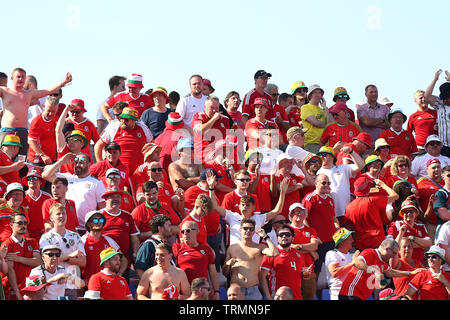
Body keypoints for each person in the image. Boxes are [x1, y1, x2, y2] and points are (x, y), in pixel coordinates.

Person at [0, 68, 72, 156]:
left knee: (21, 160)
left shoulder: (29, 93)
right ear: (12, 78)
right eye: (18, 77)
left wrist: (63, 82)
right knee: (4, 159)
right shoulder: (4, 91)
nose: (20, 79)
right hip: (7, 130)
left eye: (23, 77)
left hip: (22, 131)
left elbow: (48, 91)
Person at [338, 238, 424, 300]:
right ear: (386, 249)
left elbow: (391, 272)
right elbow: (356, 262)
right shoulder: (370, 253)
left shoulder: (382, 262)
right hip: (350, 293)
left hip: (359, 296)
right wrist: (375, 270)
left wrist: (410, 273)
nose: (394, 256)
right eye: (394, 253)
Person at [41, 152, 106, 233]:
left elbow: (102, 208)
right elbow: (45, 175)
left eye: (81, 162)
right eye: (76, 162)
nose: (78, 165)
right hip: (67, 228)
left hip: (87, 229)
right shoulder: (67, 178)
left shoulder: (97, 183)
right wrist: (62, 161)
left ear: (89, 164)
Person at [222, 218, 279, 300]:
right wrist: (228, 264)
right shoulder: (232, 248)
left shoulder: (260, 247)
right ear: (240, 230)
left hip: (253, 289)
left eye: (251, 229)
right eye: (245, 228)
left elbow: (274, 253)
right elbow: (224, 272)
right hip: (236, 289)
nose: (248, 231)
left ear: (254, 231)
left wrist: (265, 237)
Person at [39, 203, 86, 300]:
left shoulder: (75, 236)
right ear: (51, 218)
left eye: (63, 213)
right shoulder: (46, 237)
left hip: (72, 283)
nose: (61, 216)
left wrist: (61, 258)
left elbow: (83, 262)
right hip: (53, 285)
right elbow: (47, 260)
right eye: (58, 214)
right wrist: (71, 255)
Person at [344, 175, 399, 250]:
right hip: (377, 242)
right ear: (367, 190)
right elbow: (395, 196)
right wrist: (383, 185)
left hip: (361, 244)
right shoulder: (372, 201)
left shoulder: (349, 207)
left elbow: (349, 227)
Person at [302, 174, 340, 280]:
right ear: (316, 183)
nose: (326, 185)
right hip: (318, 242)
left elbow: (334, 218)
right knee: (315, 270)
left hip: (332, 241)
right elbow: (303, 218)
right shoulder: (310, 198)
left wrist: (338, 229)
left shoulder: (330, 198)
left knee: (333, 268)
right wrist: (313, 237)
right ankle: (313, 294)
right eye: (323, 182)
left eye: (328, 183)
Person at [95, 106, 153, 176]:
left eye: (126, 120)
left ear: (134, 121)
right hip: (117, 172)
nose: (122, 121)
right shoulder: (114, 127)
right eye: (121, 118)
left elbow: (152, 146)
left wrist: (149, 165)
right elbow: (98, 145)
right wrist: (101, 165)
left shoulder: (143, 128)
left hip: (138, 173)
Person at [260, 225, 312, 300]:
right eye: (281, 235)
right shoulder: (271, 254)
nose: (284, 236)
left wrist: (306, 273)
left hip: (297, 297)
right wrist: (268, 297)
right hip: (279, 297)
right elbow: (262, 277)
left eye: (287, 234)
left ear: (292, 238)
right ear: (277, 238)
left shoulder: (298, 254)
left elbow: (303, 276)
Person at [317, 145, 364, 225]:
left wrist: (351, 151)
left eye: (324, 154)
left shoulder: (342, 168)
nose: (321, 157)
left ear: (332, 156)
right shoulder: (318, 172)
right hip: (329, 213)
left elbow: (361, 165)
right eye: (319, 155)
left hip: (345, 211)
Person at [172, 221, 220, 299]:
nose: (185, 233)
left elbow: (213, 273)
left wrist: (216, 291)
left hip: (202, 292)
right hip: (185, 293)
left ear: (197, 231)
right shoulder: (177, 247)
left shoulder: (206, 249)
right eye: (182, 231)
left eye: (188, 231)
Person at [101, 186, 140, 278]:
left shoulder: (128, 216)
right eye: (112, 197)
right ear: (105, 199)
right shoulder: (99, 216)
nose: (115, 199)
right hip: (105, 262)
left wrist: (135, 252)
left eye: (118, 197)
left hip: (123, 263)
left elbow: (134, 238)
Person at [0, 212, 40, 300]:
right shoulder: (6, 245)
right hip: (13, 292)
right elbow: (9, 271)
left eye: (25, 223)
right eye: (20, 223)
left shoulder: (32, 242)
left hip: (31, 290)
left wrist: (18, 259)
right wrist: (18, 294)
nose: (23, 226)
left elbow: (37, 261)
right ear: (11, 225)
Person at [80, 210, 127, 281]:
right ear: (88, 224)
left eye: (101, 220)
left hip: (108, 283)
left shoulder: (109, 240)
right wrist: (80, 281)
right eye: (95, 220)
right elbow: (76, 263)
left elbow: (124, 260)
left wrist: (119, 274)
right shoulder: (82, 241)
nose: (99, 222)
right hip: (88, 284)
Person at [287, 203, 319, 300]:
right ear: (290, 214)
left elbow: (314, 245)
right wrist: (310, 251)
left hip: (307, 270)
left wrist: (298, 246)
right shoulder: (286, 229)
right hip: (292, 270)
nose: (299, 214)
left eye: (301, 211)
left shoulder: (311, 230)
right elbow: (287, 247)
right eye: (296, 211)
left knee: (308, 296)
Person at [387, 200, 432, 267]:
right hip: (401, 264)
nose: (408, 214)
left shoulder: (421, 226)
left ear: (415, 213)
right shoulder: (396, 225)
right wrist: (421, 244)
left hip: (419, 264)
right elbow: (392, 246)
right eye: (405, 212)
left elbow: (429, 243)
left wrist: (412, 238)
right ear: (402, 214)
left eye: (411, 211)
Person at [134, 215, 176, 279]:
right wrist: (149, 284)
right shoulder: (148, 245)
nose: (171, 229)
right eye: (168, 225)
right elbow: (139, 269)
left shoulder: (165, 244)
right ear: (160, 228)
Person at [325, 228, 360, 300]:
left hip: (352, 293)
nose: (352, 241)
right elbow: (334, 272)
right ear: (341, 242)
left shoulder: (352, 255)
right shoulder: (332, 254)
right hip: (338, 293)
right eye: (350, 239)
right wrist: (353, 263)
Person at [301, 84, 334, 153]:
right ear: (310, 95)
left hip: (325, 144)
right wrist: (327, 125)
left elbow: (332, 124)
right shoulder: (305, 107)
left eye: (319, 93)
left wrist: (325, 107)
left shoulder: (324, 110)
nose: (318, 95)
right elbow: (315, 122)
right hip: (312, 143)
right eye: (315, 92)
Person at [27, 96, 60, 165]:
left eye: (53, 111)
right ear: (44, 106)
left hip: (52, 159)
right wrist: (43, 155)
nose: (50, 114)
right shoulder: (36, 121)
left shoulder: (56, 119)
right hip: (37, 160)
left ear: (57, 109)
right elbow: (31, 141)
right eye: (48, 110)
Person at [424, 69, 450, 157]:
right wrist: (435, 79)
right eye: (445, 97)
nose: (446, 100)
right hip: (444, 146)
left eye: (448, 97)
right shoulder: (440, 104)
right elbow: (426, 97)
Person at [22, 170, 51, 242]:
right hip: (27, 234)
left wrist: (47, 228)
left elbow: (53, 215)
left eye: (35, 178)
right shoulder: (22, 197)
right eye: (29, 178)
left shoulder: (48, 197)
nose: (31, 180)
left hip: (44, 234)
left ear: (40, 182)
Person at [434, 166, 450, 234]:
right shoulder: (440, 193)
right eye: (449, 175)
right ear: (443, 177)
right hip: (445, 231)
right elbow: (444, 215)